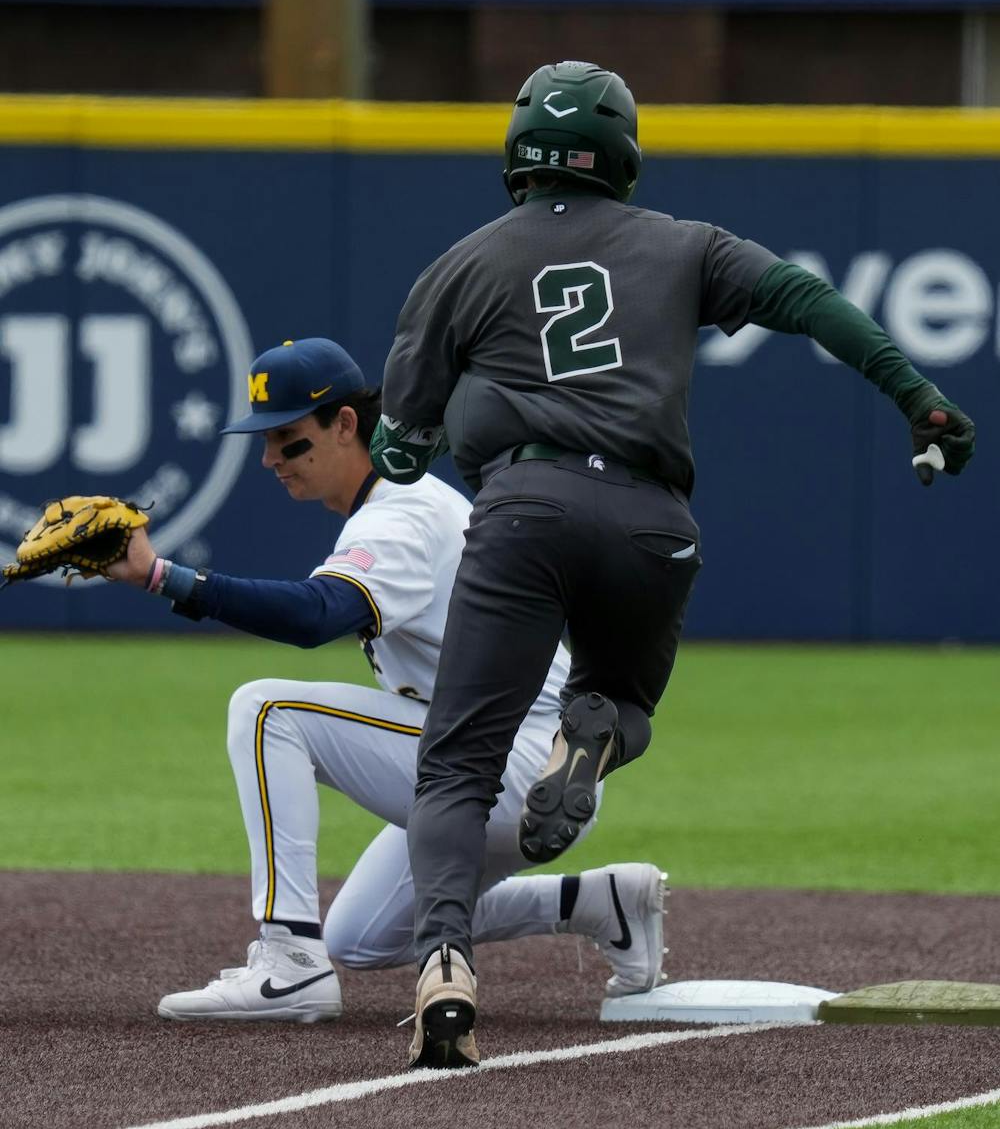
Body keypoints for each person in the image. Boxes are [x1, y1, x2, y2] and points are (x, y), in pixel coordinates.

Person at [370, 59, 977, 1070]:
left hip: (523, 511)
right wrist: (915, 395)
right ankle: (595, 733)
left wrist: (448, 425)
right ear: (624, 154)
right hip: (654, 521)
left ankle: (443, 960)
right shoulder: (687, 245)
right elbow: (810, 303)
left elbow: (399, 448)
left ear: (515, 154)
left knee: (459, 766)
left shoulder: (462, 266)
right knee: (622, 702)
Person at [105, 336, 667, 1032]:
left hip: (523, 761)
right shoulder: (399, 500)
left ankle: (288, 961)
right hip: (498, 762)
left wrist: (165, 577)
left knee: (267, 710)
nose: (270, 459)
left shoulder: (400, 512)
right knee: (362, 937)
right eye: (266, 440)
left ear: (345, 425)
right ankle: (597, 903)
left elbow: (318, 617)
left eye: (289, 439)